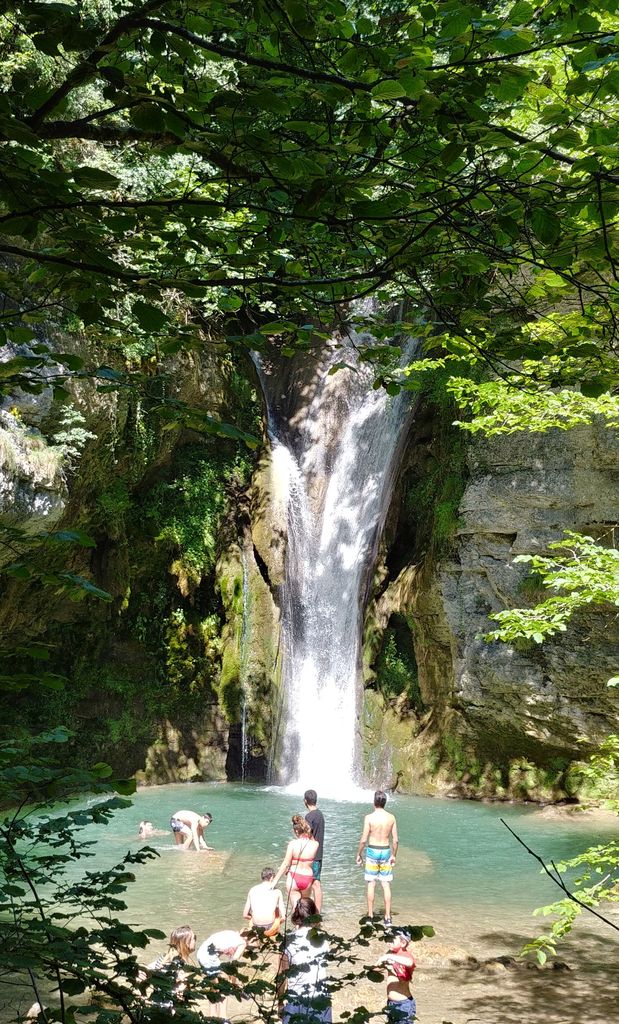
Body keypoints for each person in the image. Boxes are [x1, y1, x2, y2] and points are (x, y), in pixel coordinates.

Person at [277, 897, 331, 1024]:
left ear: (296, 915)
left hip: (296, 998)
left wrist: (280, 1003)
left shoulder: (288, 941)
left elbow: (281, 976)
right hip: (321, 997)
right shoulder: (323, 939)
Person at [356, 790, 398, 925]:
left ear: (374, 802)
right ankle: (387, 917)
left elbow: (363, 840)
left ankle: (370, 916)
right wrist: (393, 855)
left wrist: (359, 854)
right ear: (385, 802)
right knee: (386, 884)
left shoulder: (369, 817)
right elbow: (396, 840)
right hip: (385, 850)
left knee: (371, 884)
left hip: (372, 850)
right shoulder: (391, 818)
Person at [271, 815, 319, 911]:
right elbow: (312, 839)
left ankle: (296, 925)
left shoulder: (292, 844)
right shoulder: (315, 844)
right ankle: (307, 925)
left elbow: (286, 863)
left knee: (295, 909)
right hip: (307, 878)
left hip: (293, 877)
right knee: (305, 909)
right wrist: (308, 830)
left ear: (296, 831)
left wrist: (274, 881)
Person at [196, 929, 247, 1020]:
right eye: (253, 947)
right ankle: (223, 1018)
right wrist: (233, 984)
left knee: (214, 988)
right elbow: (233, 964)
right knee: (224, 986)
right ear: (250, 939)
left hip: (201, 954)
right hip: (208, 958)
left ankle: (212, 1017)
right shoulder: (242, 943)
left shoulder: (233, 935)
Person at [146, 925, 196, 1007]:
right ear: (185, 942)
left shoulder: (166, 957)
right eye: (194, 938)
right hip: (170, 1006)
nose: (195, 941)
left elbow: (148, 969)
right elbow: (179, 990)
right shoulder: (177, 963)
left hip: (158, 1002)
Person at [376, 931, 416, 1023]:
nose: (388, 942)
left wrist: (388, 956)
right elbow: (376, 968)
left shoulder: (406, 955)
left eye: (392, 940)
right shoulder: (392, 954)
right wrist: (384, 963)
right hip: (391, 1003)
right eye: (388, 939)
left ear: (403, 943)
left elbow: (410, 962)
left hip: (403, 1004)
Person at [243, 867, 285, 935]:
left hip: (255, 927)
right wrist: (278, 922)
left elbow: (245, 915)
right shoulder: (277, 891)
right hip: (270, 928)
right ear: (272, 878)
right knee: (276, 910)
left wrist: (253, 918)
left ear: (262, 877)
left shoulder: (252, 890)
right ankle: (275, 935)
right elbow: (284, 917)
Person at [304, 789, 325, 912]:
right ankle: (317, 912)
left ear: (305, 801)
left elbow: (308, 835)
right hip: (319, 854)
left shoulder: (309, 816)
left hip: (311, 855)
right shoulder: (320, 814)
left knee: (311, 884)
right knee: (316, 883)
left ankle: (308, 912)